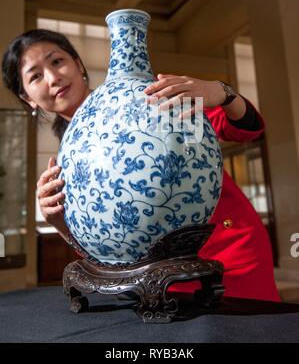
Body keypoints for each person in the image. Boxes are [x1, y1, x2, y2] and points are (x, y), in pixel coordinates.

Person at [2, 29, 280, 302]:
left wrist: (222, 92)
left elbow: (244, 130)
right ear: (27, 97)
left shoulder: (152, 97)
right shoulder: (67, 156)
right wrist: (58, 222)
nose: (53, 77)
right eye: (35, 76)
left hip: (228, 253)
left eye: (57, 61)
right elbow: (102, 252)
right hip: (150, 281)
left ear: (78, 63)